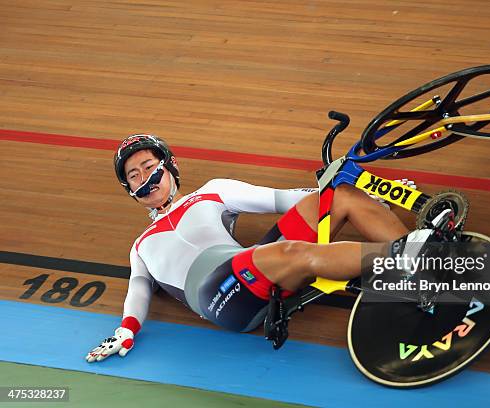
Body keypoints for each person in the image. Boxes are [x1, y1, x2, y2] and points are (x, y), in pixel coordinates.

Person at [85, 134, 429, 363]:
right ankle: (416, 255)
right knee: (291, 252)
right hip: (219, 296)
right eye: (133, 175)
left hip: (254, 266)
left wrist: (375, 196)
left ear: (170, 166)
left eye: (148, 167)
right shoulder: (141, 245)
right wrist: (126, 330)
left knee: (339, 197)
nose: (143, 177)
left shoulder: (213, 191)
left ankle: (418, 272)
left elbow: (287, 199)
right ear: (129, 189)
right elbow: (139, 290)